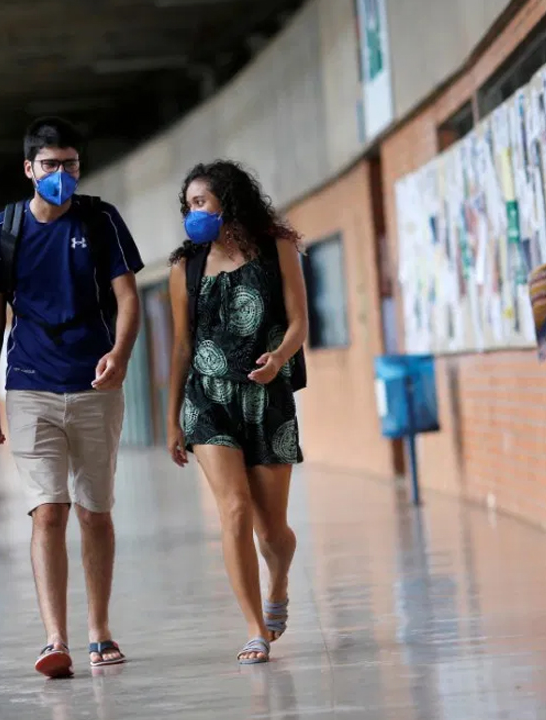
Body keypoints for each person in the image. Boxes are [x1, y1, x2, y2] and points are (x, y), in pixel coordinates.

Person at [0, 117, 144, 677]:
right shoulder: (3, 230)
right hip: (30, 386)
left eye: (70, 164)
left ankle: (99, 630)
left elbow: (128, 297)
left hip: (95, 385)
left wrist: (120, 355)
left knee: (95, 512)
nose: (61, 174)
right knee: (48, 510)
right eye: (50, 165)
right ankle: (55, 639)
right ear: (29, 168)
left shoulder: (100, 219)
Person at [165, 160, 308, 665]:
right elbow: (181, 346)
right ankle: (253, 629)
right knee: (234, 509)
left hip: (267, 397)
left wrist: (279, 359)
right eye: (187, 205)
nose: (193, 213)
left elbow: (299, 322)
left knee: (273, 531)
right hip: (208, 400)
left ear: (228, 201)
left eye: (200, 202)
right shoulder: (185, 267)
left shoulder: (277, 248)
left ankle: (279, 582)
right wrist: (172, 419)